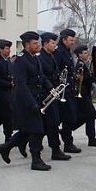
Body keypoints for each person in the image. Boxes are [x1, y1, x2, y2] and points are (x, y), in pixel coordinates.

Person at [0, 31, 51, 171]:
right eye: (34, 43)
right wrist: (30, 103)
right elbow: (21, 84)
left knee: (27, 130)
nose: (37, 45)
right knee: (37, 130)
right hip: (26, 101)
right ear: (26, 45)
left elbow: (40, 76)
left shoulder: (35, 58)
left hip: (36, 98)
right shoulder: (21, 60)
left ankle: (6, 147)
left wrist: (50, 87)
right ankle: (36, 160)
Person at [39, 32, 71, 161]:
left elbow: (55, 71)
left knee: (52, 123)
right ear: (46, 43)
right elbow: (42, 75)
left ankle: (56, 149)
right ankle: (15, 143)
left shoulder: (51, 56)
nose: (54, 45)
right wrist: (51, 87)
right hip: (45, 93)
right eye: (52, 43)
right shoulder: (40, 56)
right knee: (48, 124)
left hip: (53, 92)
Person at [54, 28, 81, 153]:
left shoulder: (66, 51)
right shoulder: (59, 51)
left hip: (68, 88)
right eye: (70, 40)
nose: (72, 42)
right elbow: (57, 70)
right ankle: (67, 143)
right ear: (64, 39)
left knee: (68, 117)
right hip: (62, 89)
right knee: (65, 118)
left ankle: (68, 142)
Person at [0, 39, 15, 143]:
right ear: (1, 50)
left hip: (8, 92)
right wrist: (8, 84)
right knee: (3, 116)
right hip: (0, 93)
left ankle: (8, 136)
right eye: (6, 48)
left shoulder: (8, 61)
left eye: (9, 48)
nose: (9, 50)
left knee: (7, 116)